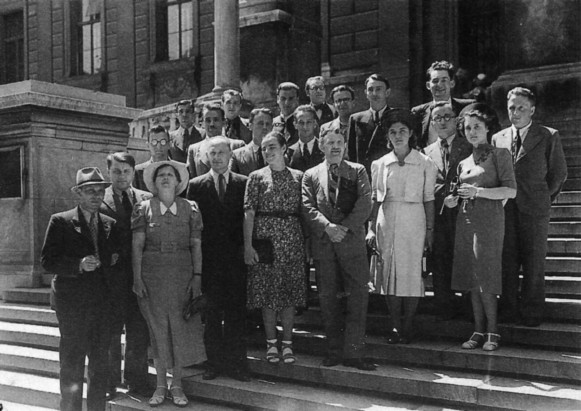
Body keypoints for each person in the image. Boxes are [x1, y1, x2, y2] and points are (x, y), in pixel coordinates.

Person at [41, 167, 120, 411]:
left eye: (99, 191)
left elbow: (116, 261)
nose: (96, 196)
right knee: (72, 364)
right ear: (79, 194)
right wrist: (78, 265)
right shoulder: (61, 221)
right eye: (89, 191)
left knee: (100, 365)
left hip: (101, 305)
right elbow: (47, 262)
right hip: (72, 305)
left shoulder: (110, 224)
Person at [132, 160, 206, 407]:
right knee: (158, 331)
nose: (165, 178)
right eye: (160, 175)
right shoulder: (143, 208)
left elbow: (196, 245)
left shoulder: (190, 208)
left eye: (170, 175)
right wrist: (137, 278)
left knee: (179, 330)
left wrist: (197, 277)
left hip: (182, 274)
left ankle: (178, 386)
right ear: (154, 182)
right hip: (152, 276)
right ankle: (160, 385)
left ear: (178, 181)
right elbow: (137, 246)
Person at [492, 87, 567, 327]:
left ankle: (532, 311)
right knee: (507, 260)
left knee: (534, 262)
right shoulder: (498, 138)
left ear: (532, 110)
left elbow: (558, 174)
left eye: (521, 107)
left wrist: (543, 198)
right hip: (505, 209)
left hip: (534, 209)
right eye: (511, 107)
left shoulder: (548, 135)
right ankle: (509, 310)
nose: (515, 112)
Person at [302, 127, 376, 371]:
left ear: (344, 146)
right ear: (322, 146)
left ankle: (354, 354)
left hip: (351, 244)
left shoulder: (357, 171)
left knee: (358, 299)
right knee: (328, 300)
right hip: (325, 246)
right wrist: (327, 228)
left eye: (339, 142)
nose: (334, 146)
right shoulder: (310, 175)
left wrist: (342, 228)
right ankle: (333, 351)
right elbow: (307, 206)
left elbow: (366, 201)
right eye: (330, 142)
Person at [444, 103, 517, 351]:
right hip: (465, 220)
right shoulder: (463, 162)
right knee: (471, 277)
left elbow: (510, 191)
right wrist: (452, 200)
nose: (472, 131)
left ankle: (493, 331)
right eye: (467, 128)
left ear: (487, 128)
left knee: (486, 275)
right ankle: (477, 330)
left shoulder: (500, 154)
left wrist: (479, 192)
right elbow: (460, 192)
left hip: (490, 221)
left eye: (477, 126)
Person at [367, 110, 437, 344]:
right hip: (386, 220)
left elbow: (429, 199)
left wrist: (430, 231)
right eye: (393, 132)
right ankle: (395, 324)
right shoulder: (380, 164)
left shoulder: (425, 162)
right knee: (389, 273)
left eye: (403, 131)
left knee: (411, 273)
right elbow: (376, 200)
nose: (398, 136)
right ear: (388, 136)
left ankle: (408, 324)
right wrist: (370, 228)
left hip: (414, 220)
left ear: (411, 134)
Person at [187, 137, 250, 382]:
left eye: (221, 152)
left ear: (230, 155)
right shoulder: (196, 185)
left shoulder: (244, 183)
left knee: (236, 314)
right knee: (211, 315)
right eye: (212, 153)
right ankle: (213, 364)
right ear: (205, 157)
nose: (216, 157)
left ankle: (237, 365)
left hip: (235, 261)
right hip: (209, 261)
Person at [244, 131, 306, 365]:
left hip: (291, 239)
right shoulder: (256, 177)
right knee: (268, 294)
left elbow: (304, 212)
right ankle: (271, 343)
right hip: (265, 241)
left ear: (284, 149)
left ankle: (288, 344)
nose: (268, 152)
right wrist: (248, 246)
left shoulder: (299, 177)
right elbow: (249, 212)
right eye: (264, 148)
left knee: (289, 294)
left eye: (272, 147)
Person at [100, 152, 152, 399]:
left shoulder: (146, 199)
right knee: (111, 332)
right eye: (116, 171)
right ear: (108, 172)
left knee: (138, 331)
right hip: (111, 280)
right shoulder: (99, 199)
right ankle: (108, 383)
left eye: (126, 171)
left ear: (134, 172)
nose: (121, 176)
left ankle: (137, 380)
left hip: (140, 276)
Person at [421, 102, 473, 320]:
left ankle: (471, 310)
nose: (442, 122)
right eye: (437, 118)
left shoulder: (469, 145)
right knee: (441, 262)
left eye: (447, 117)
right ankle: (444, 309)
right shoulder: (426, 152)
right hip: (439, 216)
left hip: (465, 214)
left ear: (456, 121)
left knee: (466, 260)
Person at [411, 61, 475, 148]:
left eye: (444, 80)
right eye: (435, 81)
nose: (439, 85)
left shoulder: (468, 107)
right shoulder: (418, 112)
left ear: (452, 83)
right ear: (428, 85)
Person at [347, 74, 394, 177]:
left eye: (378, 89)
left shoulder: (396, 117)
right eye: (370, 89)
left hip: (389, 175)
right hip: (364, 178)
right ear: (366, 93)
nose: (374, 93)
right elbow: (352, 155)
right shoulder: (356, 119)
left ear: (387, 92)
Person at [186, 103, 245, 178]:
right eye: (208, 120)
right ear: (202, 123)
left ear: (224, 122)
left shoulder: (237, 146)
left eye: (216, 120)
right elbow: (191, 181)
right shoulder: (194, 150)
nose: (211, 124)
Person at [231, 108, 274, 176]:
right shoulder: (237, 156)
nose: (265, 127)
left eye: (268, 124)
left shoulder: (279, 155)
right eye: (260, 123)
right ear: (250, 126)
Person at [286, 105, 325, 171]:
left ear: (314, 123)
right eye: (301, 122)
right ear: (295, 124)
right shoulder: (290, 152)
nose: (305, 127)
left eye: (309, 122)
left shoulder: (324, 149)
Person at [134, 125, 171, 192]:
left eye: (163, 142)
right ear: (148, 145)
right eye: (154, 142)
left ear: (169, 144)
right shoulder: (138, 172)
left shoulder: (179, 169)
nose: (159, 146)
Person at [272, 82, 300, 146]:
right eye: (283, 98)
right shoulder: (272, 123)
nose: (287, 103)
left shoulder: (303, 123)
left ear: (297, 100)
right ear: (277, 99)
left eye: (291, 99)